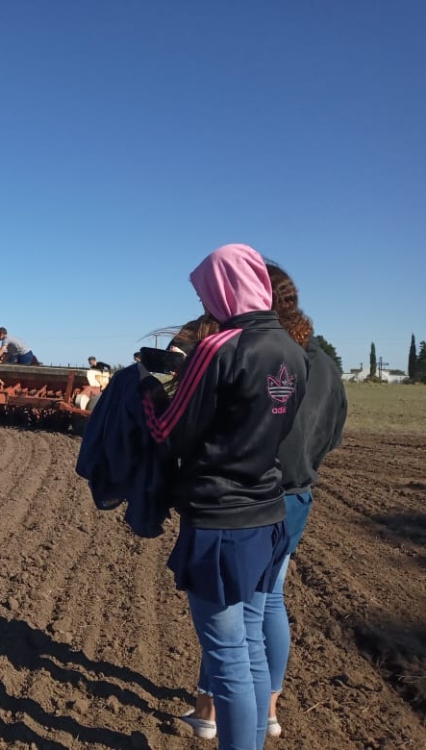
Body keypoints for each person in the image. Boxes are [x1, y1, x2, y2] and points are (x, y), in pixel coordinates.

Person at [139, 244, 307, 750]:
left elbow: (168, 430)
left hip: (220, 520)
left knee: (228, 657)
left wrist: (147, 388)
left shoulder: (222, 348)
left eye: (205, 292)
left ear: (224, 288)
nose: (205, 303)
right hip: (268, 512)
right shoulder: (293, 351)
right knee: (251, 649)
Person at [179, 264, 347, 742]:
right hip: (294, 498)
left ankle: (214, 714)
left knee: (237, 627)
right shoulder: (321, 362)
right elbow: (333, 433)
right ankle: (267, 711)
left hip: (248, 500)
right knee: (267, 605)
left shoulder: (254, 354)